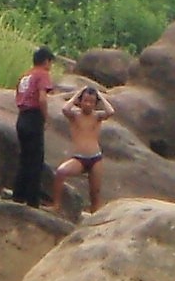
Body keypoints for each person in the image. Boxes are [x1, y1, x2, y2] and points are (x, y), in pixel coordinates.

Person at [52, 84, 113, 218]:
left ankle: (94, 216)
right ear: (80, 102)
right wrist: (78, 93)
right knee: (61, 172)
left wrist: (99, 95)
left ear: (95, 104)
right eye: (85, 101)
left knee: (95, 193)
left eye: (91, 102)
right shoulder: (75, 115)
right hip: (79, 158)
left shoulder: (97, 116)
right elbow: (65, 108)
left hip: (95, 158)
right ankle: (56, 205)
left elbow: (110, 112)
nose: (88, 104)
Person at [10, 48, 56, 204]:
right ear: (46, 61)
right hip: (34, 116)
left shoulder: (25, 75)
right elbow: (42, 98)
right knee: (36, 160)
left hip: (22, 116)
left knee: (24, 158)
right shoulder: (42, 74)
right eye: (50, 62)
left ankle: (18, 195)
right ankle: (32, 200)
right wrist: (46, 118)